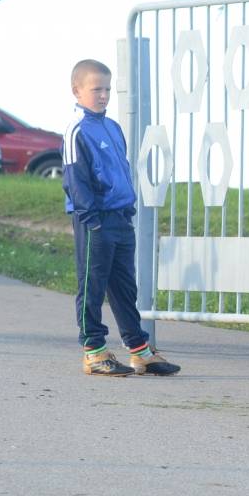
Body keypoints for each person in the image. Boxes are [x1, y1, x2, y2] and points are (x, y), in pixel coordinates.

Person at [63, 59, 180, 377]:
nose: (103, 95)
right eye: (96, 89)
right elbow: (75, 180)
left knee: (125, 288)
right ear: (77, 91)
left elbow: (121, 171)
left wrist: (127, 210)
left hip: (120, 219)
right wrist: (92, 218)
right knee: (92, 286)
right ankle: (94, 352)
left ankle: (140, 351)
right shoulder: (77, 131)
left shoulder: (112, 127)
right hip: (95, 221)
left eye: (107, 89)